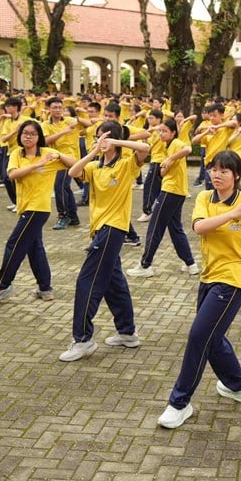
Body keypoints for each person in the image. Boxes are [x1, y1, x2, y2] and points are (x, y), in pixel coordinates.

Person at [157, 150, 241, 429]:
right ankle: (239, 385)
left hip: (235, 278)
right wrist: (233, 214)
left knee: (198, 336)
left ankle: (179, 402)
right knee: (212, 337)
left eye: (224, 171)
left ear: (236, 175)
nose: (216, 175)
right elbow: (200, 228)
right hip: (209, 276)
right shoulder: (205, 198)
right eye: (213, 170)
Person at [59, 122, 150, 361]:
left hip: (114, 228)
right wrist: (94, 151)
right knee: (113, 281)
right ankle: (128, 332)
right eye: (98, 137)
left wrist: (116, 142)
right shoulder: (95, 166)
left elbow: (144, 147)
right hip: (98, 229)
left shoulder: (125, 165)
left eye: (103, 137)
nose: (100, 141)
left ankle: (83, 339)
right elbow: (73, 172)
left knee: (87, 280)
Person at [0, 120, 78, 305]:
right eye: (25, 133)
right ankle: (45, 288)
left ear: (39, 137)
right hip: (24, 206)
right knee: (35, 248)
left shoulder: (48, 154)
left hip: (38, 209)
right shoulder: (17, 153)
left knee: (14, 244)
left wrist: (57, 154)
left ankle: (2, 287)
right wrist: (36, 164)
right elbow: (12, 175)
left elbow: (74, 165)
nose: (28, 136)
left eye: (33, 134)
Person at [127, 117, 200, 277]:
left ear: (173, 132)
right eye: (160, 130)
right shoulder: (168, 145)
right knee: (175, 229)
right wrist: (165, 167)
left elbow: (187, 149)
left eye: (165, 131)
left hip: (171, 191)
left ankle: (145, 265)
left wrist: (170, 159)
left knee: (155, 227)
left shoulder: (175, 144)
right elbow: (164, 171)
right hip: (175, 191)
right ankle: (191, 264)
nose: (161, 134)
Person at [42, 96, 82, 230]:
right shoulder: (45, 125)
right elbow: (46, 141)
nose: (58, 110)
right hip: (56, 159)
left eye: (60, 107)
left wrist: (78, 118)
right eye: (54, 107)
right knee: (65, 187)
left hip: (70, 159)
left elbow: (88, 124)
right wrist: (63, 131)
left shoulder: (70, 120)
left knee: (60, 185)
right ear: (49, 109)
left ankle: (63, 215)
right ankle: (73, 216)